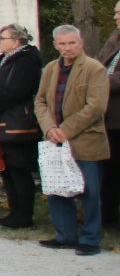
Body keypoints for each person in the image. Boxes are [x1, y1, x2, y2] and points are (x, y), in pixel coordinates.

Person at [33, 24, 110, 256]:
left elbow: (96, 106)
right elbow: (40, 101)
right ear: (56, 45)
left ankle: (90, 238)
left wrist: (66, 129)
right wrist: (50, 128)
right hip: (55, 140)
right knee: (57, 188)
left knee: (89, 191)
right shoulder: (50, 68)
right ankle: (65, 234)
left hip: (85, 139)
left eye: (72, 43)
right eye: (63, 44)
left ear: (81, 43)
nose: (67, 48)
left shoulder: (94, 69)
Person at [0, 23, 43, 230]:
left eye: (3, 39)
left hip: (18, 123)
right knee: (7, 170)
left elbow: (16, 90)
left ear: (16, 41)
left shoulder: (27, 60)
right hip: (0, 119)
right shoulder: (1, 60)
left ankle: (24, 215)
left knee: (19, 169)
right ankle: (14, 212)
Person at [102, 0, 120, 231]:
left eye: (119, 12)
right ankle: (107, 215)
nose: (115, 16)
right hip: (107, 115)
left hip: (117, 114)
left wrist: (95, 84)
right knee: (108, 169)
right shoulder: (114, 38)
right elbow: (99, 64)